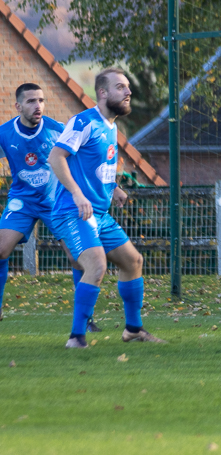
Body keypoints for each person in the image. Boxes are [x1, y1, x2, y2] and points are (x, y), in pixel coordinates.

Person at [49, 68, 165, 348]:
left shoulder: (111, 127)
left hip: (99, 215)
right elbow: (56, 157)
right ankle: (76, 338)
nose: (128, 92)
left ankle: (133, 330)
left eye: (127, 87)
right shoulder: (84, 121)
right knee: (97, 265)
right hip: (72, 211)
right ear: (102, 93)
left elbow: (92, 167)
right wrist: (77, 194)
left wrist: (113, 188)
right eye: (120, 87)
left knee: (133, 262)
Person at [0, 84, 103, 330]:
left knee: (77, 257)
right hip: (22, 201)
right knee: (0, 250)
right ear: (18, 106)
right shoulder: (5, 133)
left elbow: (88, 158)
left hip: (56, 202)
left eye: (41, 100)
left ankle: (85, 318)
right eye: (31, 101)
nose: (38, 106)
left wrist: (116, 185)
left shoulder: (58, 130)